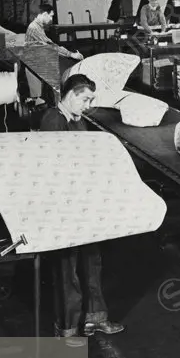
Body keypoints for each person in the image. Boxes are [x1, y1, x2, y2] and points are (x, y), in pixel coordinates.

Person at [39, 73, 125, 337]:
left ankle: (94, 318)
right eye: (85, 99)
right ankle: (68, 327)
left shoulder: (77, 121)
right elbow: (56, 164)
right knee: (68, 268)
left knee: (91, 260)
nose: (88, 105)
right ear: (70, 94)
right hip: (64, 203)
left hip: (83, 201)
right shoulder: (54, 120)